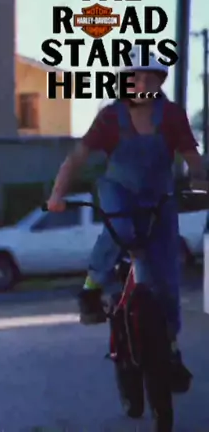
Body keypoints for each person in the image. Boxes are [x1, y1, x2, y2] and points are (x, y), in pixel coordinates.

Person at [45, 49, 206, 392]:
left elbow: (192, 156)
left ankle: (171, 351)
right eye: (135, 77)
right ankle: (91, 289)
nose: (142, 84)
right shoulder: (110, 117)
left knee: (167, 282)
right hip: (118, 190)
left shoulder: (171, 115)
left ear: (160, 82)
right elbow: (77, 158)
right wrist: (57, 195)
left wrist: (199, 181)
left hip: (159, 196)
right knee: (121, 229)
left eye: (150, 78)